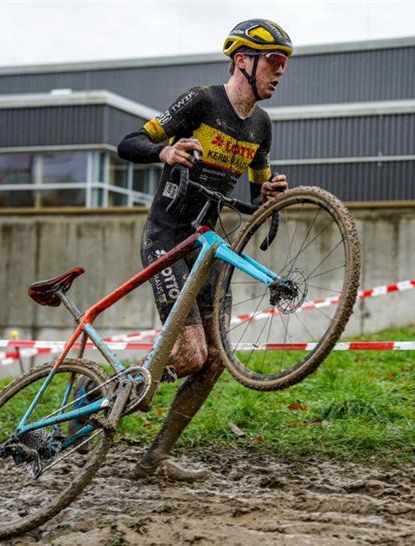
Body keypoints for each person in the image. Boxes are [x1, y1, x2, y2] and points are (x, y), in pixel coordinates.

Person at [116, 19, 292, 481]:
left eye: (284, 64)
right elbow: (127, 143)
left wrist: (269, 194)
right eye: (274, 62)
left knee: (214, 361)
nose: (280, 72)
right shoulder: (201, 100)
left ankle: (153, 458)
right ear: (243, 60)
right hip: (168, 238)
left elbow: (255, 201)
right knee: (190, 356)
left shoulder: (261, 126)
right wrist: (164, 153)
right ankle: (102, 394)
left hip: (208, 247)